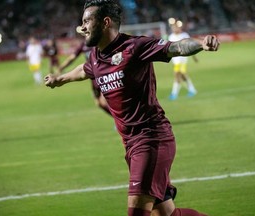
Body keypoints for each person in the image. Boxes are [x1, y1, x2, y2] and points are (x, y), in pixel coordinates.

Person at [45, 0, 220, 215]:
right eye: (82, 22)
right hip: (131, 144)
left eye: (87, 21)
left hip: (151, 139)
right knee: (167, 214)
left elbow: (175, 47)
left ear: (105, 22)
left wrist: (201, 44)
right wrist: (60, 78)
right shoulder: (96, 57)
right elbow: (84, 70)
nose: (83, 27)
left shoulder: (134, 47)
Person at [59, 39, 111, 116]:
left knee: (105, 100)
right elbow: (72, 57)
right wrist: (61, 67)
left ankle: (121, 121)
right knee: (98, 103)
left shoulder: (98, 41)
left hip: (102, 74)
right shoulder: (83, 44)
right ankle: (118, 120)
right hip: (92, 76)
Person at [168, 21, 198, 100]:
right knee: (181, 75)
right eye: (173, 28)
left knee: (179, 74)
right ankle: (192, 90)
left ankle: (174, 93)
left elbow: (191, 46)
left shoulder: (184, 35)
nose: (174, 29)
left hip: (183, 59)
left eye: (175, 27)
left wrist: (194, 57)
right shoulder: (171, 37)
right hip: (175, 60)